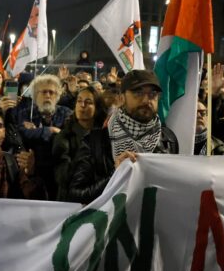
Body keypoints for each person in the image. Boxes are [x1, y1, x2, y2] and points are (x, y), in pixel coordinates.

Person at [68, 70, 178, 204]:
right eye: (138, 93)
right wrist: (116, 174)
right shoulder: (95, 141)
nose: (146, 100)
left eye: (152, 94)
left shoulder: (168, 139)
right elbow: (76, 194)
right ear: (121, 98)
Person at [14, 74, 71, 199]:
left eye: (52, 92)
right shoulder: (25, 113)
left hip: (60, 172)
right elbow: (22, 134)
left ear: (58, 95)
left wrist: (37, 131)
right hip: (34, 172)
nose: (48, 95)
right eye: (43, 92)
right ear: (35, 95)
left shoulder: (67, 113)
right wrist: (51, 130)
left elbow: (68, 138)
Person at [52, 87, 106, 200]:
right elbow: (62, 177)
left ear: (97, 108)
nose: (82, 105)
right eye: (79, 101)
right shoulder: (65, 136)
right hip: (70, 201)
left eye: (88, 102)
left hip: (100, 199)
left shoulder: (104, 135)